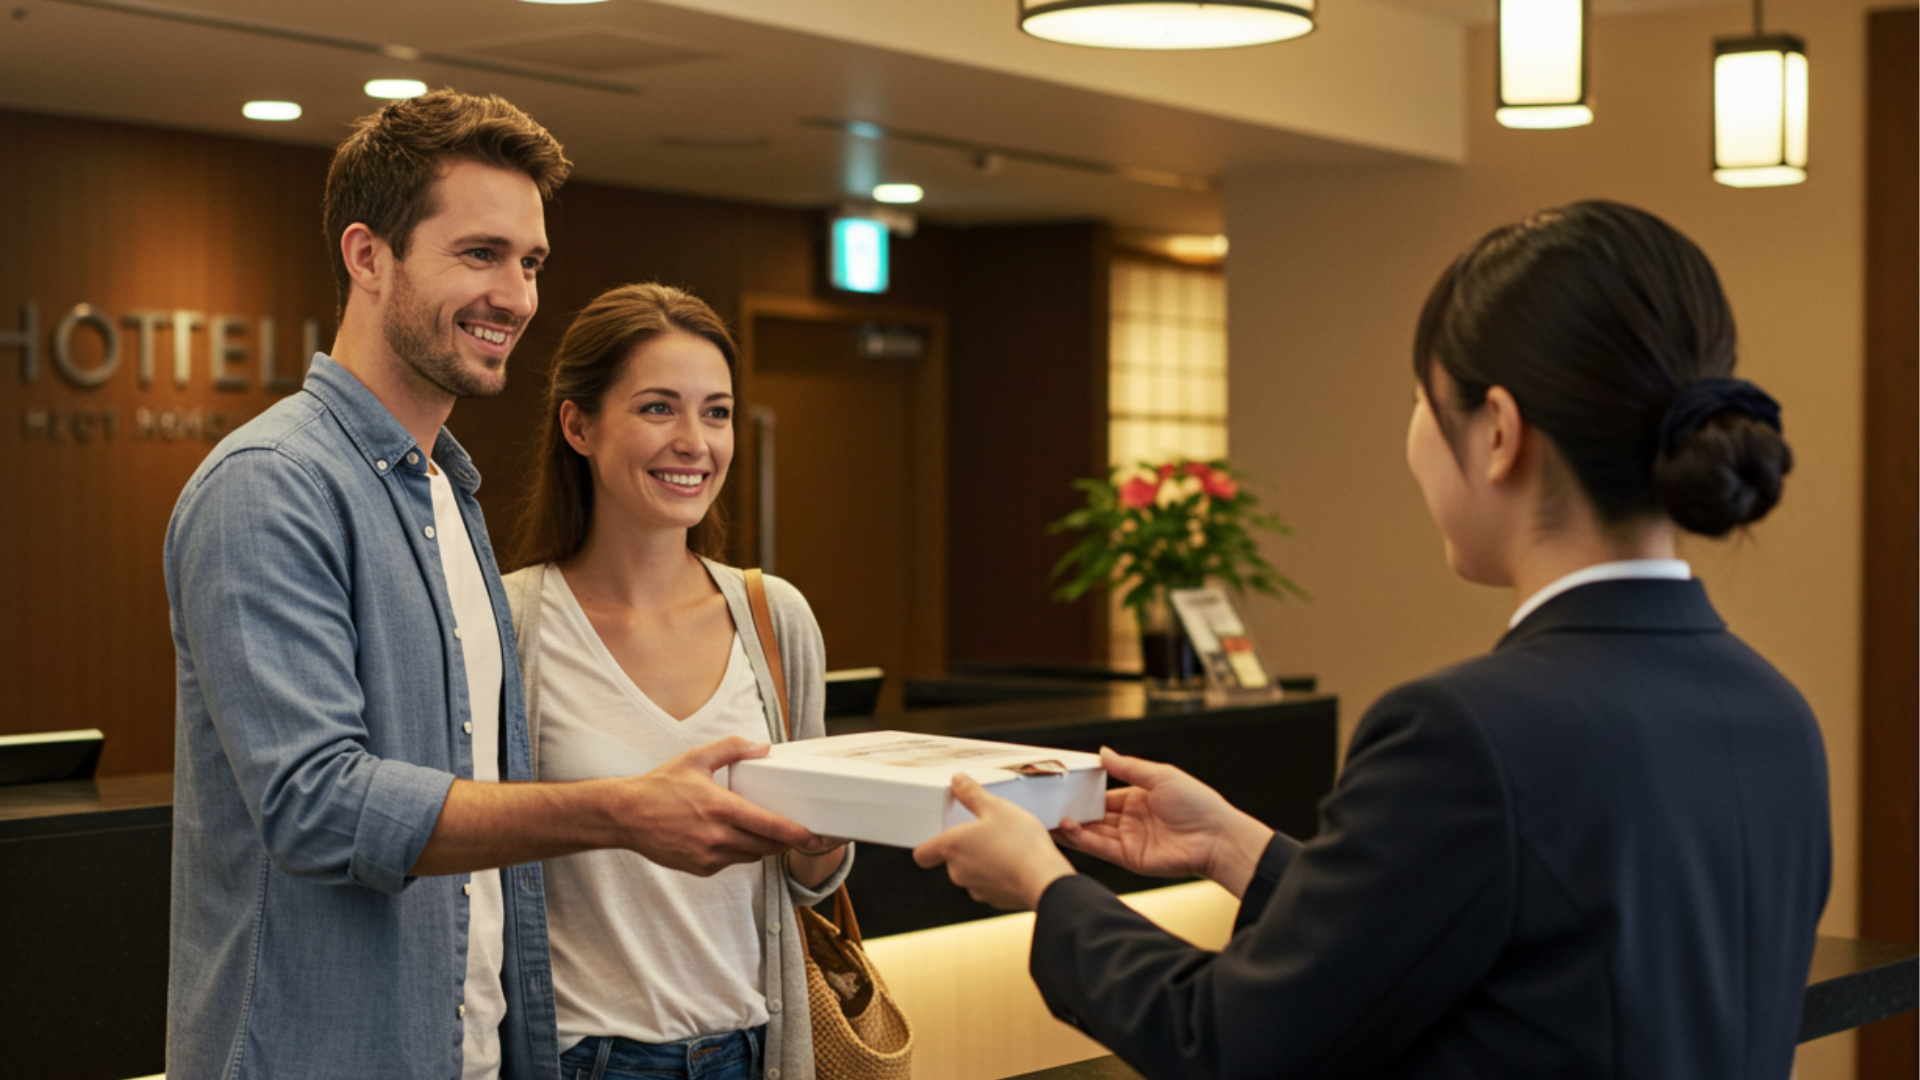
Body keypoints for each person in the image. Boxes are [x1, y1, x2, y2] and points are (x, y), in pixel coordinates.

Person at [913, 201, 1832, 1079]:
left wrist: (1046, 888)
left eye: (1423, 401)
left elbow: (1224, 1043)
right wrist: (1240, 849)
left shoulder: (1468, 732)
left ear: (1500, 432)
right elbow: (1512, 948)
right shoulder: (1777, 713)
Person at [165, 92, 822, 1080]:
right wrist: (619, 809)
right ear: (367, 256)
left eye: (530, 262)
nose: (515, 296)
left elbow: (478, 836)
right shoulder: (270, 486)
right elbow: (316, 804)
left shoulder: (447, 496)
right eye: (478, 254)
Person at [501, 282, 851, 1080]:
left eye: (717, 412)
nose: (695, 441)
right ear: (578, 425)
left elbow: (811, 885)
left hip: (749, 1052)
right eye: (659, 408)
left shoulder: (774, 616)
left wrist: (824, 840)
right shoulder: (509, 622)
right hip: (582, 1059)